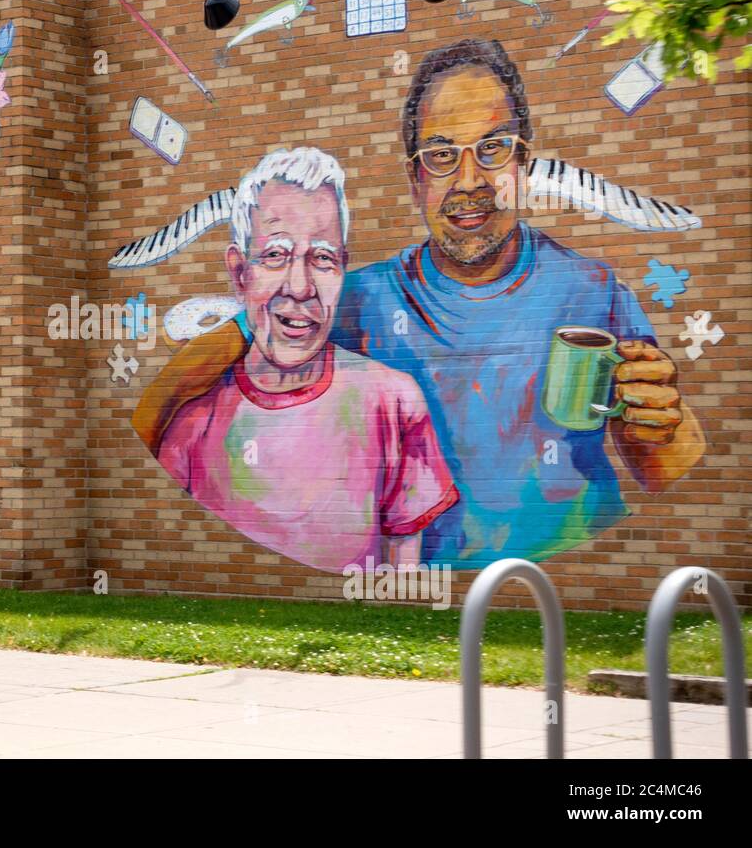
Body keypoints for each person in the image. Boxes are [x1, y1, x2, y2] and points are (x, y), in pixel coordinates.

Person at [329, 38, 705, 566]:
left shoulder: (592, 289)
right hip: (414, 579)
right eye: (440, 156)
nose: (468, 181)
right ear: (415, 180)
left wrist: (664, 421)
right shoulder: (355, 303)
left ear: (523, 163)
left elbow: (665, 469)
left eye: (493, 148)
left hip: (572, 568)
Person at [134, 148, 458, 572]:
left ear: (343, 269)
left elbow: (403, 577)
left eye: (323, 258)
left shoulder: (392, 402)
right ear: (239, 274)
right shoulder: (196, 426)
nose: (301, 286)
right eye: (275, 255)